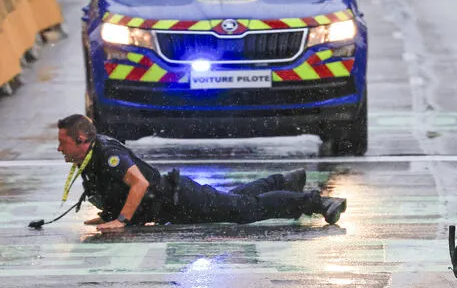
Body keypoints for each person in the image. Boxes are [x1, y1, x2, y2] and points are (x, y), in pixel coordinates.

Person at [56, 114, 346, 232]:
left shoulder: (107, 156)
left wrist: (121, 220)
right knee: (230, 201)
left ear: (82, 141)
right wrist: (108, 215)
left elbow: (139, 184)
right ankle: (283, 181)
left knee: (242, 210)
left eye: (63, 142)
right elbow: (114, 190)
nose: (59, 149)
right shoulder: (91, 156)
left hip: (179, 199)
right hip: (173, 205)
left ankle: (317, 203)